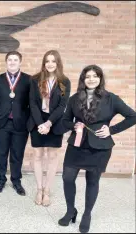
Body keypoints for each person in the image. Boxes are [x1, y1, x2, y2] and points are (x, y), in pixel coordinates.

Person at [58, 65, 136, 233]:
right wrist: (74, 124)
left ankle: (87, 214)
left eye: (95, 76)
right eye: (87, 76)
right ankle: (71, 210)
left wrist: (111, 130)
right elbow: (64, 121)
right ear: (83, 79)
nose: (91, 79)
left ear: (100, 78)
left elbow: (132, 116)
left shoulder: (111, 99)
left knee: (92, 181)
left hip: (100, 147)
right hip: (77, 145)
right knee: (67, 177)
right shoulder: (74, 98)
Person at [27, 50, 71, 206]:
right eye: (47, 61)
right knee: (38, 155)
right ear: (44, 63)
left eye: (53, 61)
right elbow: (32, 102)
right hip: (37, 121)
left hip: (55, 122)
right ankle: (39, 189)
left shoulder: (65, 81)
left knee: (52, 156)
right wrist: (40, 123)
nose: (50, 64)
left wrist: (48, 123)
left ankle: (47, 191)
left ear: (58, 63)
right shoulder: (35, 79)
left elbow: (62, 106)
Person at [0, 51, 31, 195]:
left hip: (20, 124)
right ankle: (1, 180)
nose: (12, 62)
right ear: (6, 62)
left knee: (17, 154)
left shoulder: (28, 80)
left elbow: (33, 104)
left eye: (15, 60)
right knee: (1, 153)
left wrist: (28, 122)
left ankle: (16, 181)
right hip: (2, 123)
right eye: (10, 60)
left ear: (20, 62)